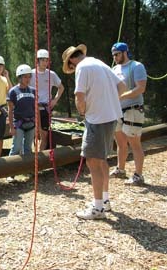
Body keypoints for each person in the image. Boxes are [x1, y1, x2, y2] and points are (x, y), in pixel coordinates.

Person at [62, 44, 126, 220]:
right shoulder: (101, 63)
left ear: (72, 60)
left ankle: (98, 208)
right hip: (111, 117)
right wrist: (108, 102)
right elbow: (122, 87)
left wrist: (83, 111)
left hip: (97, 119)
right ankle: (104, 200)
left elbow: (79, 96)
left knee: (93, 162)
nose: (73, 68)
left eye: (71, 66)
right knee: (102, 160)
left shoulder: (82, 68)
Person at [109, 42, 147, 185]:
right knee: (120, 142)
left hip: (133, 109)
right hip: (118, 110)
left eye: (117, 54)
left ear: (125, 52)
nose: (115, 57)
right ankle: (121, 169)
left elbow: (140, 88)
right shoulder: (114, 69)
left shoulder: (136, 66)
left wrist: (120, 96)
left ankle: (138, 175)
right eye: (113, 55)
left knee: (134, 143)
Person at [30, 49, 64, 150]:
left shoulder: (51, 74)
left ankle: (41, 158)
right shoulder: (31, 74)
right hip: (33, 108)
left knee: (44, 135)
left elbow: (61, 87)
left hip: (45, 108)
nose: (45, 63)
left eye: (47, 60)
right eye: (43, 60)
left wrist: (55, 100)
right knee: (32, 134)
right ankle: (30, 157)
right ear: (38, 61)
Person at [7, 64, 36, 182]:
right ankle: (10, 173)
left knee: (28, 148)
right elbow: (10, 110)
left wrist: (37, 125)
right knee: (16, 148)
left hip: (31, 123)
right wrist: (11, 127)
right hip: (18, 123)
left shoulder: (33, 90)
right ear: (19, 78)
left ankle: (27, 169)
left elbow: (35, 108)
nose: (28, 79)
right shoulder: (13, 91)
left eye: (29, 77)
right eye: (25, 77)